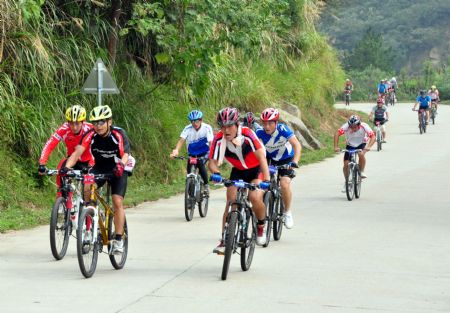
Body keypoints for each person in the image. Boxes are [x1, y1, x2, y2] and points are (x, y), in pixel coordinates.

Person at [63, 105, 130, 255]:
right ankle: (90, 223)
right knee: (87, 187)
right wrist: (67, 168)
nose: (98, 126)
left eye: (101, 122)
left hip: (117, 168)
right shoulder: (90, 135)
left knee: (117, 201)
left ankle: (118, 239)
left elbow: (125, 154)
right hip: (99, 167)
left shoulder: (118, 134)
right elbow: (77, 153)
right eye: (95, 123)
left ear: (109, 122)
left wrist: (121, 165)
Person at [208, 107, 270, 254]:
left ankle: (261, 226)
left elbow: (261, 157)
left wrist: (266, 179)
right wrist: (216, 172)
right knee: (231, 201)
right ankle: (224, 240)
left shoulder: (248, 135)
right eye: (223, 127)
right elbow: (212, 162)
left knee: (254, 197)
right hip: (238, 170)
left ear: (237, 124)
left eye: (229, 126)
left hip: (256, 169)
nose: (226, 130)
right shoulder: (218, 138)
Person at [38, 105, 94, 206]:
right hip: (72, 160)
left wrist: (91, 166)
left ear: (83, 121)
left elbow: (97, 148)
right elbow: (50, 144)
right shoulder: (64, 129)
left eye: (77, 123)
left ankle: (89, 215)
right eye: (71, 123)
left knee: (87, 192)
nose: (74, 127)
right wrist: (42, 163)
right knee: (61, 167)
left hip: (89, 161)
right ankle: (62, 200)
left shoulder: (90, 129)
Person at [256, 108, 301, 229]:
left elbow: (296, 145)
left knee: (284, 184)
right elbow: (254, 149)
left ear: (276, 123)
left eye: (270, 123)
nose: (267, 126)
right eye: (264, 123)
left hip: (285, 159)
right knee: (261, 185)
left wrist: (295, 162)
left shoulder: (283, 129)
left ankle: (287, 212)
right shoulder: (259, 132)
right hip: (269, 159)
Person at [170, 110, 213, 190]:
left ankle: (206, 185)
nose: (194, 124)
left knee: (200, 164)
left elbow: (211, 142)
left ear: (201, 120)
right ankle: (190, 192)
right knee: (189, 172)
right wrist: (176, 151)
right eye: (192, 122)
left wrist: (212, 155)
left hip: (204, 153)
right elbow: (181, 140)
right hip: (192, 153)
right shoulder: (187, 128)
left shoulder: (207, 128)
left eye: (196, 121)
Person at [334, 115, 375, 190]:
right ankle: (347, 182)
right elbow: (337, 134)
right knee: (346, 164)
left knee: (361, 154)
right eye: (351, 127)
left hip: (361, 143)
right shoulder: (346, 126)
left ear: (359, 124)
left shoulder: (364, 126)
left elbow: (373, 136)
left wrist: (368, 146)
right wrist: (336, 146)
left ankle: (361, 171)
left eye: (355, 127)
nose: (353, 129)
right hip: (350, 144)